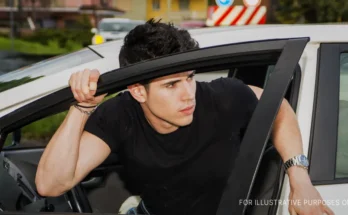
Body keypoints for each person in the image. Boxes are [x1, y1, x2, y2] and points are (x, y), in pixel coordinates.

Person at [35, 19, 334, 215]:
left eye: (189, 77)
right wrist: (82, 107)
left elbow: (277, 106)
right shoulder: (120, 114)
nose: (188, 93)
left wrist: (299, 179)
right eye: (171, 85)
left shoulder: (222, 97)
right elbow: (51, 185)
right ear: (138, 91)